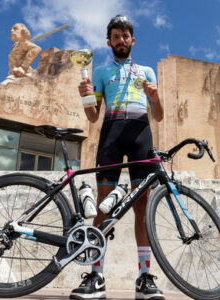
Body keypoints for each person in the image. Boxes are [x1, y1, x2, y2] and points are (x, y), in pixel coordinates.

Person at [70, 15, 164, 300]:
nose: (120, 40)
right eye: (115, 36)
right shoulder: (99, 72)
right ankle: (96, 276)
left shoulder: (147, 71)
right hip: (111, 129)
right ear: (108, 42)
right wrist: (85, 96)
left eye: (125, 35)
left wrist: (156, 97)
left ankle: (145, 277)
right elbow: (92, 116)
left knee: (143, 206)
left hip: (141, 133)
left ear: (132, 40)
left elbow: (158, 115)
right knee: (103, 205)